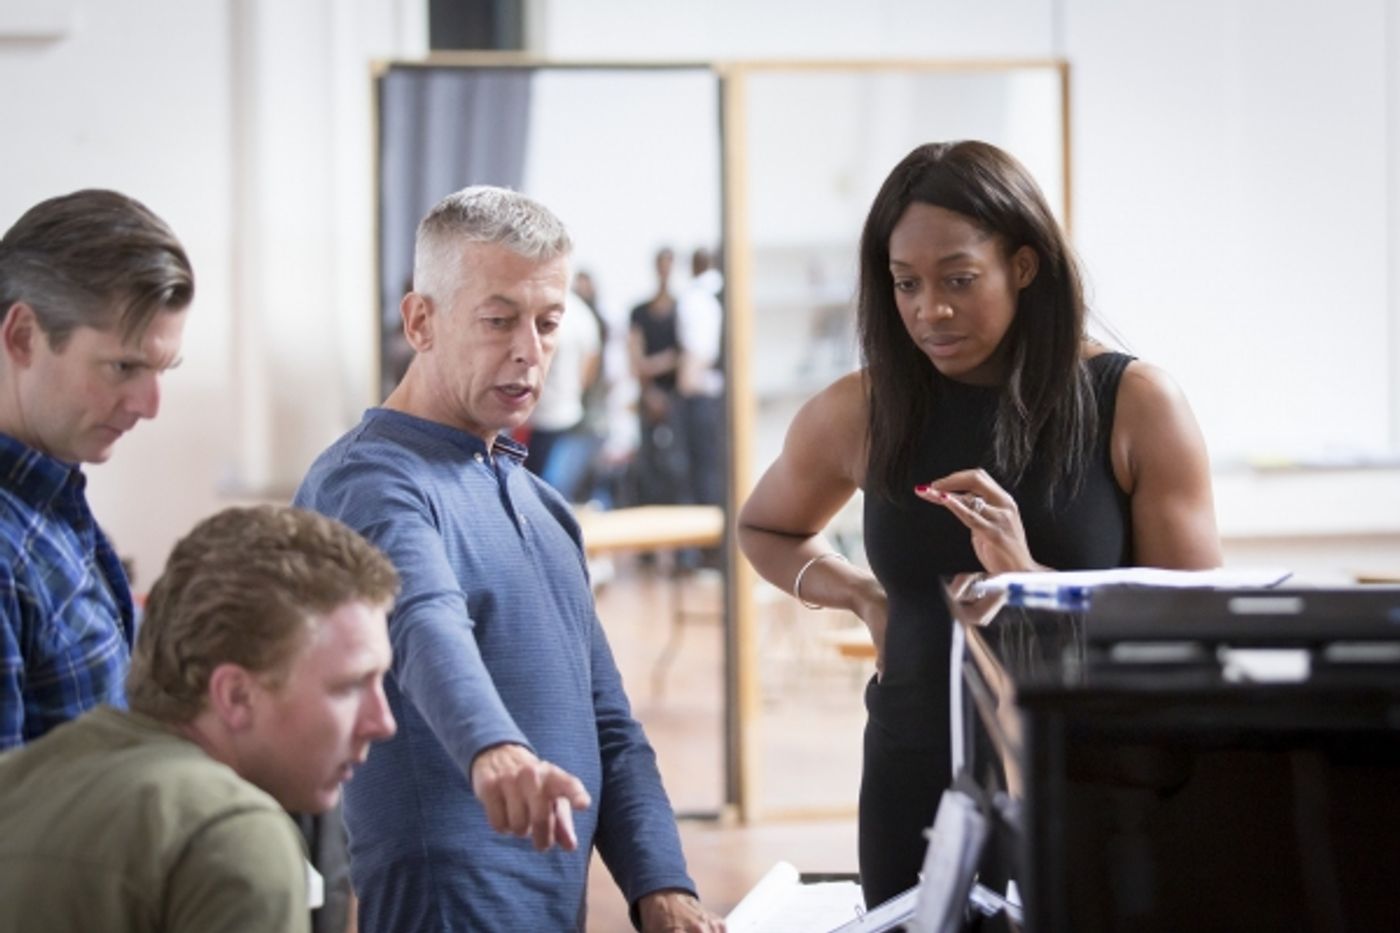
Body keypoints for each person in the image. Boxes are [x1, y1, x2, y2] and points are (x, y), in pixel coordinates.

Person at [737, 140, 1222, 907]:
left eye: (959, 279)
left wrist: (1031, 582)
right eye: (906, 284)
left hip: (1089, 771)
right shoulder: (862, 410)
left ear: (1023, 266)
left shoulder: (1134, 404)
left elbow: (1195, 630)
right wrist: (863, 595)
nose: (930, 308)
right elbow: (765, 527)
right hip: (915, 767)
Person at [294, 186, 723, 932]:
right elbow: (424, 619)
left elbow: (609, 724)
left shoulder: (543, 506)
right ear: (421, 320)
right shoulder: (369, 482)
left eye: (548, 323)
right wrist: (493, 746)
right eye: (499, 320)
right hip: (449, 905)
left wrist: (662, 885)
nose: (530, 350)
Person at [0, 504, 400, 932]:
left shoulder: (22, 781)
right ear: (235, 695)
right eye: (349, 687)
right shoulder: (232, 835)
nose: (382, 722)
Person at [0, 189, 192, 749]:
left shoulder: (48, 501)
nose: (149, 404)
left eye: (162, 369)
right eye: (123, 366)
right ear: (21, 337)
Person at [628, 246, 688, 506]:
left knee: (677, 465)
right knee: (648, 465)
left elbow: (684, 355)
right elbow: (635, 357)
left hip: (675, 399)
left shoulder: (682, 309)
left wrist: (654, 365)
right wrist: (650, 388)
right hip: (649, 396)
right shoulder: (640, 311)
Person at [675, 246, 726, 512]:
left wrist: (685, 386)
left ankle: (706, 547)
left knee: (701, 473)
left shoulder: (696, 297)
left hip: (701, 396)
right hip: (721, 394)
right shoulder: (724, 292)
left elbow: (699, 352)